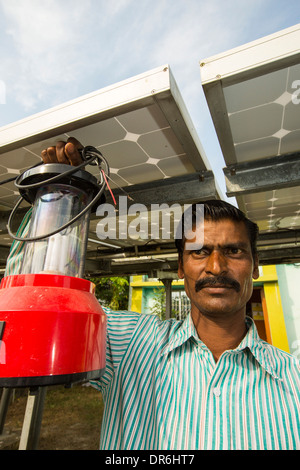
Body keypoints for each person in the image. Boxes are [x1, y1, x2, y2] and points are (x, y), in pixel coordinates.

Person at [5, 138, 300, 450]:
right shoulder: (129, 343)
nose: (216, 266)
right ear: (181, 269)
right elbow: (47, 305)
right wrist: (59, 198)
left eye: (234, 251)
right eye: (199, 253)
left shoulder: (292, 380)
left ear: (255, 266)